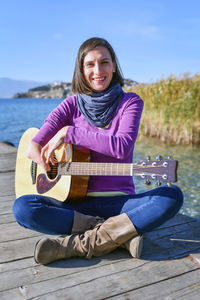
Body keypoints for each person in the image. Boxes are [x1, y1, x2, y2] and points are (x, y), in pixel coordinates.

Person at [13, 37, 183, 265]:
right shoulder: (70, 105)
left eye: (104, 62)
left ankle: (78, 244)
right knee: (23, 208)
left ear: (114, 66)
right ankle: (119, 235)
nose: (98, 70)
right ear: (81, 70)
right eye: (90, 64)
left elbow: (122, 147)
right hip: (74, 206)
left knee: (171, 196)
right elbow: (33, 146)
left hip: (120, 204)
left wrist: (68, 133)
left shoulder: (130, 102)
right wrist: (44, 164)